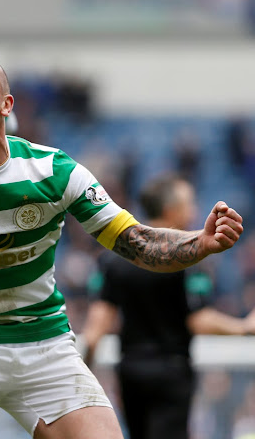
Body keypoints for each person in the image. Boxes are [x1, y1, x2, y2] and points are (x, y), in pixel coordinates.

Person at [0, 52, 244, 439]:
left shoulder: (52, 170)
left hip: (43, 343)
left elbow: (134, 241)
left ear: (6, 106)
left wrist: (201, 243)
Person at [81, 173, 255, 439]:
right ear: (171, 210)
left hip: (131, 370)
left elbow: (96, 328)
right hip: (170, 371)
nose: (194, 211)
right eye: (190, 204)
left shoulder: (113, 259)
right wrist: (243, 327)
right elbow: (197, 319)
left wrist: (84, 377)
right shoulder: (188, 258)